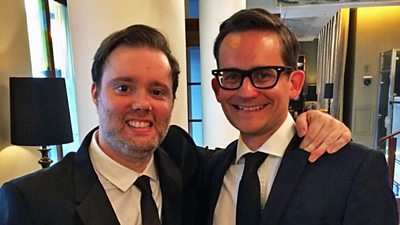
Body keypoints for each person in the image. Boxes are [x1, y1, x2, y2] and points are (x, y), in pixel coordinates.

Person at [0, 24, 351, 225]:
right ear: (95, 93)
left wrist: (313, 120)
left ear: (171, 101)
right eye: (123, 87)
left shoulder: (185, 163)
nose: (142, 104)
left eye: (157, 91)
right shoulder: (31, 202)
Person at [196, 8, 398, 225]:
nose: (246, 92)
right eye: (233, 76)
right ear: (218, 89)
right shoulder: (208, 171)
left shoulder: (354, 169)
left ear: (295, 84)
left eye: (263, 75)